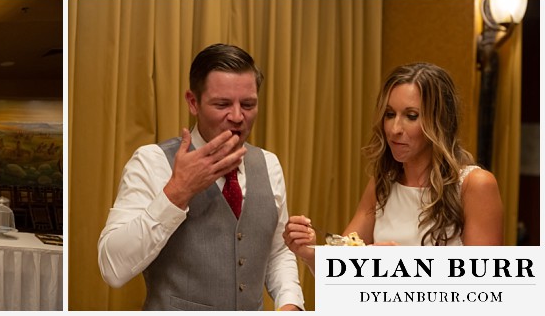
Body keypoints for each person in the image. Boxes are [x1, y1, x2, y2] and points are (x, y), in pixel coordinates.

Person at [98, 44, 304, 311]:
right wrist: (177, 192)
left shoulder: (269, 164)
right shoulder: (152, 161)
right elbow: (112, 268)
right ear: (193, 102)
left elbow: (277, 252)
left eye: (249, 104)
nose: (238, 117)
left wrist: (290, 303)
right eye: (222, 104)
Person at [283, 62, 504, 271]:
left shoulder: (474, 185)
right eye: (390, 114)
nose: (394, 128)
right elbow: (344, 266)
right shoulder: (383, 183)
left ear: (440, 121)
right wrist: (309, 252)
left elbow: (484, 287)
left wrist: (404, 267)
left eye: (411, 116)